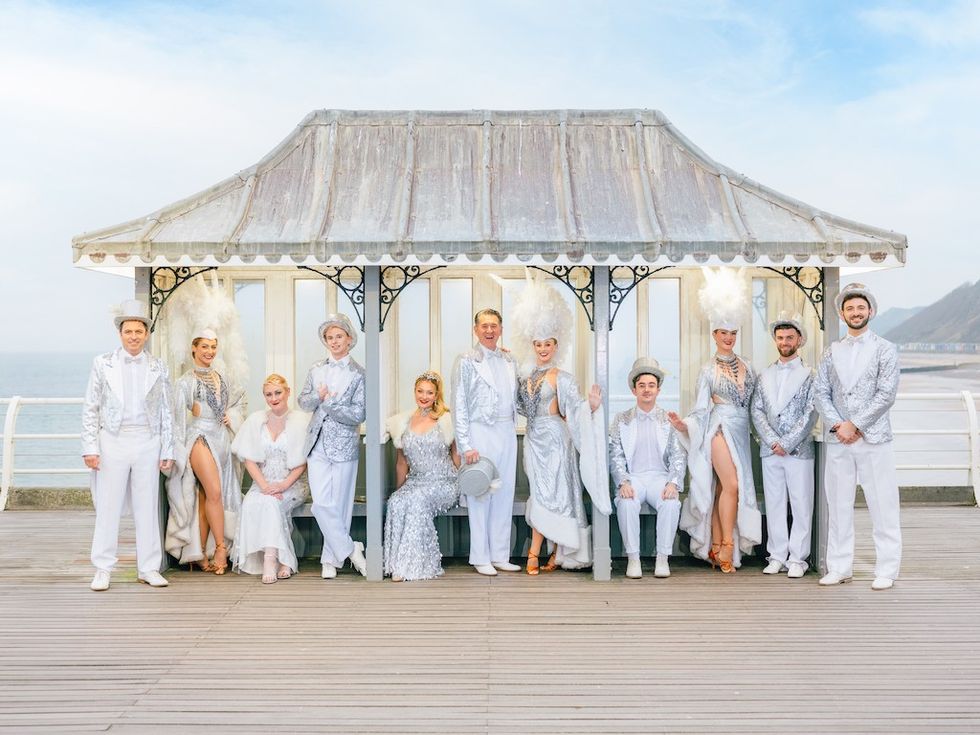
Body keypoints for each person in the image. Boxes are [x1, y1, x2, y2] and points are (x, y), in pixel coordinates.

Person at [509, 273, 609, 574]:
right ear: (532, 344)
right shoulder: (524, 377)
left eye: (548, 344)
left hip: (556, 439)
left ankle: (534, 552)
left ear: (556, 345)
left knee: (553, 493)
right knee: (541, 492)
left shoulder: (562, 378)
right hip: (533, 439)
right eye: (538, 343)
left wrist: (589, 407)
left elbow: (574, 411)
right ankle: (554, 550)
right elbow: (519, 407)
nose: (542, 349)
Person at [82, 299, 175, 591]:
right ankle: (102, 568)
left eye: (138, 331)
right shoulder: (103, 363)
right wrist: (90, 447)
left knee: (147, 506)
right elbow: (91, 407)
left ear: (146, 334)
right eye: (128, 331)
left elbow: (167, 410)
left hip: (148, 440)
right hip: (113, 439)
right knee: (108, 505)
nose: (134, 336)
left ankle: (148, 567)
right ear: (120, 334)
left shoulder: (159, 366)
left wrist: (167, 449)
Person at [814, 283, 901, 591]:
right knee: (837, 505)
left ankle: (887, 569)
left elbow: (886, 394)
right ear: (842, 313)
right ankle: (839, 566)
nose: (855, 312)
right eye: (850, 308)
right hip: (839, 439)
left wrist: (857, 424)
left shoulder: (886, 349)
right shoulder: (831, 351)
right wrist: (840, 425)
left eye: (860, 307)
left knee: (883, 503)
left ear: (870, 311)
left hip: (874, 438)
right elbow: (821, 393)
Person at [674, 267, 762, 573]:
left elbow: (757, 405)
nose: (728, 338)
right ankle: (726, 545)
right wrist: (685, 426)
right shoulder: (707, 370)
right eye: (723, 332)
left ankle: (715, 546)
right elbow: (700, 409)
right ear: (714, 334)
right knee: (732, 485)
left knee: (723, 489)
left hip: (741, 432)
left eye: (733, 333)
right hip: (718, 429)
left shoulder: (749, 367)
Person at [166, 328, 245, 574]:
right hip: (199, 436)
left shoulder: (222, 377)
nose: (209, 351)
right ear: (194, 349)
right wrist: (174, 454)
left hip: (221, 438)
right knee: (214, 492)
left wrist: (230, 417)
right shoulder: (185, 382)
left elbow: (235, 404)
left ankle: (197, 553)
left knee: (205, 499)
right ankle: (221, 548)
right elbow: (177, 420)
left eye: (213, 347)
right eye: (204, 347)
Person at [451, 308, 521, 576]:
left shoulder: (509, 359)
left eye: (494, 325)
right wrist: (465, 445)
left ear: (501, 329)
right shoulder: (466, 360)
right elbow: (459, 404)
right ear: (475, 329)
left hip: (506, 430)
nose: (489, 330)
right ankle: (480, 556)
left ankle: (500, 554)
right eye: (484, 326)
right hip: (479, 431)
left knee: (504, 493)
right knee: (481, 492)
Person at [298, 314, 367, 579]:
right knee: (321, 503)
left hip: (345, 445)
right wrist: (319, 396)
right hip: (317, 444)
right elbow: (304, 402)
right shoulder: (316, 369)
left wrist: (329, 404)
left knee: (340, 504)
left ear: (349, 339)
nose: (334, 341)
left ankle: (331, 559)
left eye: (339, 336)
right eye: (330, 337)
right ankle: (351, 549)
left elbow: (359, 414)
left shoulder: (360, 374)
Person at [750, 312, 818, 579]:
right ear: (775, 340)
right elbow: (756, 411)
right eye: (780, 337)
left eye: (790, 337)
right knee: (775, 503)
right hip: (770, 450)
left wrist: (788, 442)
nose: (785, 341)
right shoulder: (765, 374)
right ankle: (776, 555)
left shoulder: (810, 374)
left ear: (799, 339)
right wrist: (772, 441)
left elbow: (812, 411)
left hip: (799, 450)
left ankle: (798, 558)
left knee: (801, 504)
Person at [609, 359, 687, 580]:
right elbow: (616, 455)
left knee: (671, 503)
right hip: (634, 477)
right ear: (634, 390)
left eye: (651, 385)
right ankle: (633, 559)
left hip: (660, 477)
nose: (646, 389)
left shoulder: (668, 419)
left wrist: (673, 482)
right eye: (642, 385)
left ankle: (662, 558)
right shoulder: (621, 419)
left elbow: (678, 455)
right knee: (625, 502)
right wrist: (623, 482)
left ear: (658, 389)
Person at [230, 374, 310, 584]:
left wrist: (283, 485)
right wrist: (264, 485)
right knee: (253, 501)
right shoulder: (256, 420)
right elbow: (249, 460)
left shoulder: (301, 421)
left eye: (278, 393)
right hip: (264, 482)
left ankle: (270, 561)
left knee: (272, 503)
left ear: (287, 392)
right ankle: (285, 560)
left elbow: (302, 462)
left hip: (291, 483)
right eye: (268, 394)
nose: (273, 398)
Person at [383, 371, 460, 582]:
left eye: (429, 392)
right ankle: (395, 563)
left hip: (445, 482)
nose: (424, 396)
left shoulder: (447, 420)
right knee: (397, 502)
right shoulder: (403, 422)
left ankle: (412, 565)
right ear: (414, 392)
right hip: (416, 481)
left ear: (437, 395)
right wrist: (399, 490)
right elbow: (402, 463)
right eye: (420, 391)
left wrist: (466, 485)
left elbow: (456, 456)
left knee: (418, 501)